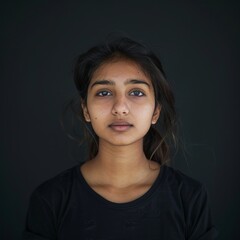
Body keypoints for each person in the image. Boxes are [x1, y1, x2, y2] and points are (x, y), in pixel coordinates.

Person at [22, 36, 218, 239]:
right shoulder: (51, 200)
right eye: (104, 93)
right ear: (86, 110)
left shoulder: (189, 198)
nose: (120, 108)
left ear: (156, 112)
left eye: (136, 92)